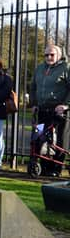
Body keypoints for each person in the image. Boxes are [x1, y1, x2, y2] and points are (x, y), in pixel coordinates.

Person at [29, 43, 70, 176]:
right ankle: (43, 167)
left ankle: (56, 169)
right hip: (42, 110)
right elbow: (33, 87)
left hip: (60, 111)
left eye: (51, 54)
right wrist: (34, 103)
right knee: (40, 138)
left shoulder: (66, 67)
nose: (48, 57)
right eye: (46, 54)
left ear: (58, 55)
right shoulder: (40, 68)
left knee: (60, 140)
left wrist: (65, 105)